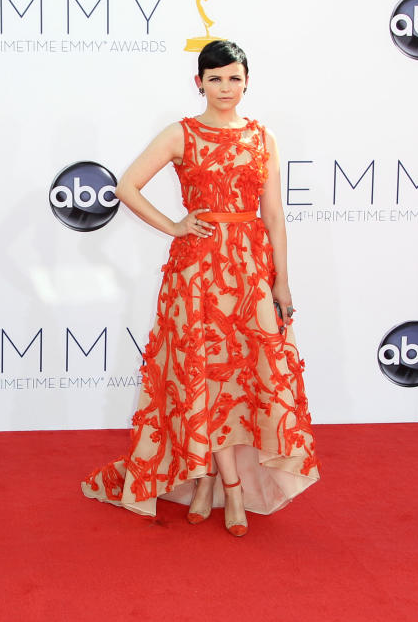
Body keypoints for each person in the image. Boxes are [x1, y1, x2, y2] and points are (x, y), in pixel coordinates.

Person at [81, 41, 319, 535]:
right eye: (215, 79)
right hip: (196, 276)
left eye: (234, 78)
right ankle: (227, 488)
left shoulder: (262, 138)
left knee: (238, 381)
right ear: (199, 83)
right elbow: (126, 187)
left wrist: (283, 280)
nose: (225, 88)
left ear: (247, 80)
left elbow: (274, 215)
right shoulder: (181, 134)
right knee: (203, 377)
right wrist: (174, 226)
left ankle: (209, 477)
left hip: (250, 274)